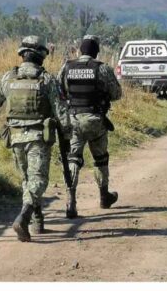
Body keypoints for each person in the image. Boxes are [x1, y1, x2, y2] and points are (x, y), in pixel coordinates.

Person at [0, 36, 71, 242]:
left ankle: (37, 220)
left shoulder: (8, 78)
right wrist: (67, 134)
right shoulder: (47, 80)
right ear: (41, 56)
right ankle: (24, 217)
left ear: (22, 55)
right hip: (39, 137)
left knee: (27, 180)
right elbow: (61, 111)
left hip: (15, 137)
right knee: (38, 180)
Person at [58, 35, 123, 219]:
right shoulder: (102, 68)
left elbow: (59, 92)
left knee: (73, 159)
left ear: (80, 50)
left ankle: (71, 202)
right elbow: (117, 94)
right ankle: (104, 196)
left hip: (73, 120)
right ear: (96, 51)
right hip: (95, 120)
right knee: (100, 159)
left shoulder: (67, 67)